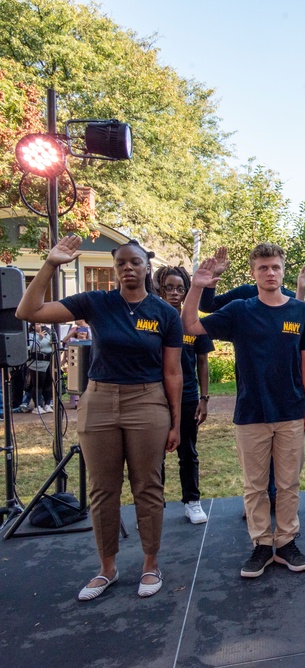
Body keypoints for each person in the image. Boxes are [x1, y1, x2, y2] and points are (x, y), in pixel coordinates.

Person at [16, 235, 182, 601]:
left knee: (147, 486)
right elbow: (28, 312)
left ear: (146, 267)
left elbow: (173, 373)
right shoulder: (96, 303)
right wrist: (50, 264)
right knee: (103, 489)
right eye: (121, 263)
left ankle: (150, 564)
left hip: (147, 401)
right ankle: (107, 568)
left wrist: (176, 422)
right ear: (115, 269)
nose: (127, 268)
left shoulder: (165, 314)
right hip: (100, 400)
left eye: (134, 262)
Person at [183, 243, 305, 578]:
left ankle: (286, 543)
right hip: (251, 412)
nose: (270, 273)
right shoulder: (241, 310)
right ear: (253, 272)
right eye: (263, 268)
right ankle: (261, 545)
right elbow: (190, 326)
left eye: (275, 267)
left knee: (288, 484)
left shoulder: (299, 311)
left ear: (284, 270)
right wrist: (198, 285)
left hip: (290, 412)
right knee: (255, 486)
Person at [154, 266, 213, 525]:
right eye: (170, 287)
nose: (175, 293)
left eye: (180, 288)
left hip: (188, 396)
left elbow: (202, 362)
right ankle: (154, 506)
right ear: (159, 289)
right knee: (154, 455)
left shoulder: (193, 323)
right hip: (155, 396)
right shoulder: (151, 319)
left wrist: (205, 398)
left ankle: (192, 501)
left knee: (188, 452)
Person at [22, 323, 54, 414]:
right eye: (38, 324)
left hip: (47, 361)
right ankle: (37, 406)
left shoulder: (47, 334)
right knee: (38, 384)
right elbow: (31, 348)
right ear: (33, 326)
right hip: (36, 362)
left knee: (48, 383)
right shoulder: (30, 336)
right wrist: (39, 338)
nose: (41, 326)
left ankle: (47, 404)